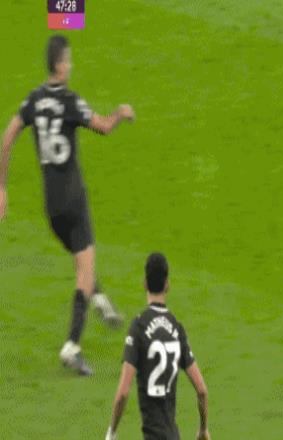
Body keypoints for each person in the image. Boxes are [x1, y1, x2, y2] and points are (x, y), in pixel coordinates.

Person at [0, 35, 135, 374]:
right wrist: (120, 113)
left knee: (80, 256)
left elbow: (7, 137)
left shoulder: (33, 100)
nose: (71, 65)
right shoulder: (71, 102)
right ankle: (72, 346)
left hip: (51, 207)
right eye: (69, 60)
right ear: (60, 65)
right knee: (84, 270)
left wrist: (1, 187)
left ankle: (100, 300)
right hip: (74, 200)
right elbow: (103, 126)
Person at [106, 253, 210, 440]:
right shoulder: (177, 329)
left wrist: (111, 433)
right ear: (167, 285)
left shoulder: (139, 327)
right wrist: (203, 429)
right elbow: (202, 390)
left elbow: (123, 392)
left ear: (144, 283)